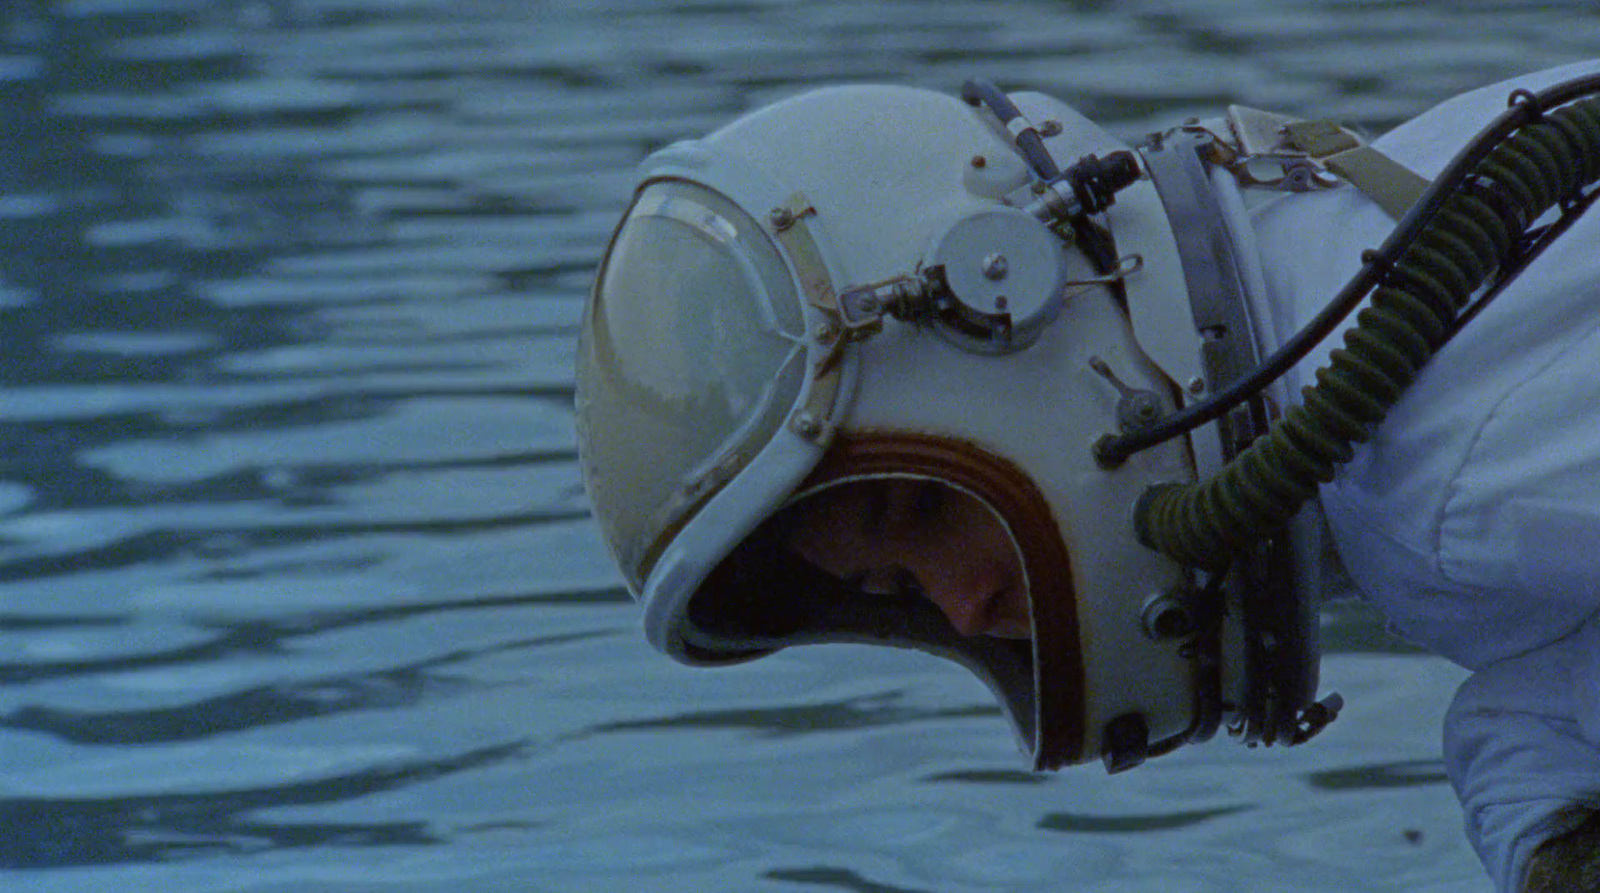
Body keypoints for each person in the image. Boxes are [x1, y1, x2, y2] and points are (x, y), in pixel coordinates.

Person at [574, 59, 1600, 892]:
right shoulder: (1361, 294)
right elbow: (1538, 705)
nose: (966, 610)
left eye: (928, 509)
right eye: (899, 589)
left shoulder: (1452, 486)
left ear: (1009, 292)